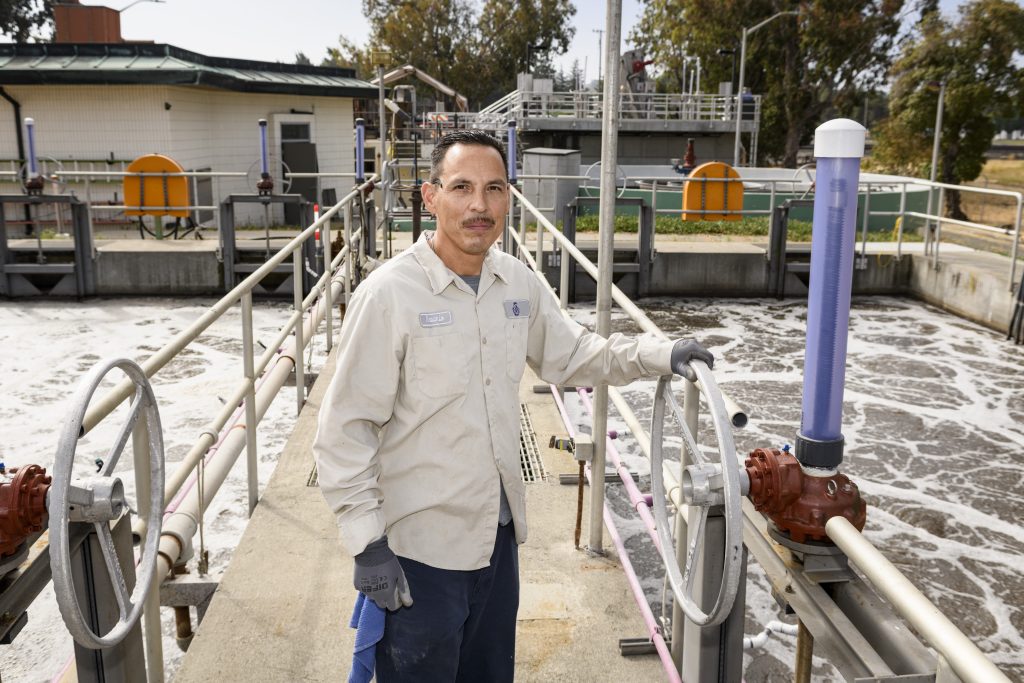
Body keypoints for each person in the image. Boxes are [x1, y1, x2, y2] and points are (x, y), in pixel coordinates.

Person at [313, 130, 714, 682]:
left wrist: (659, 353)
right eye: (461, 188)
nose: (479, 205)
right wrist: (366, 545)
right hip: (417, 556)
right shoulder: (389, 295)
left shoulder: (515, 283)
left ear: (509, 197)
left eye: (494, 188)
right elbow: (344, 429)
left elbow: (571, 355)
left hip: (496, 542)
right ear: (430, 198)